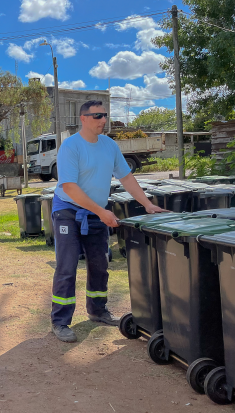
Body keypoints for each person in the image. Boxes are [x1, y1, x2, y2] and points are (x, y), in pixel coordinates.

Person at [50, 100, 166, 343]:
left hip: (96, 213)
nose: (103, 120)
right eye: (97, 116)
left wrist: (147, 203)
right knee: (67, 266)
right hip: (68, 212)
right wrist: (101, 212)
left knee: (100, 264)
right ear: (83, 118)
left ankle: (97, 310)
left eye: (105, 115)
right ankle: (60, 321)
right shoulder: (71, 147)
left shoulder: (109, 146)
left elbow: (126, 177)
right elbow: (69, 187)